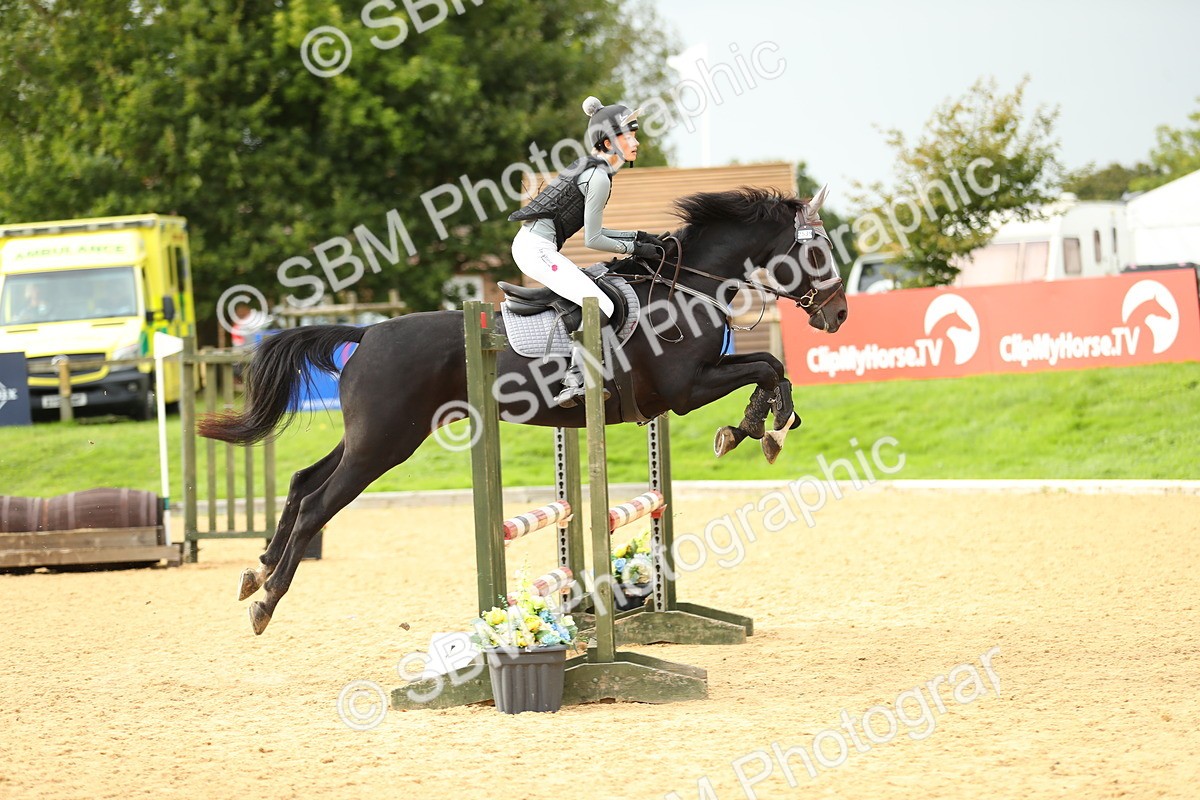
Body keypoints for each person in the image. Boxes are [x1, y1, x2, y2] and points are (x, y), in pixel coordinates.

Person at [509, 95, 666, 408]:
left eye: (635, 135)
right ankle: (575, 378)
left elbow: (600, 233)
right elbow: (593, 240)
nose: (635, 142)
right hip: (535, 250)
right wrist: (636, 247)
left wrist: (639, 237)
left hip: (537, 247)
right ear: (608, 143)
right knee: (601, 305)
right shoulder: (598, 178)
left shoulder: (594, 171)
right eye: (628, 136)